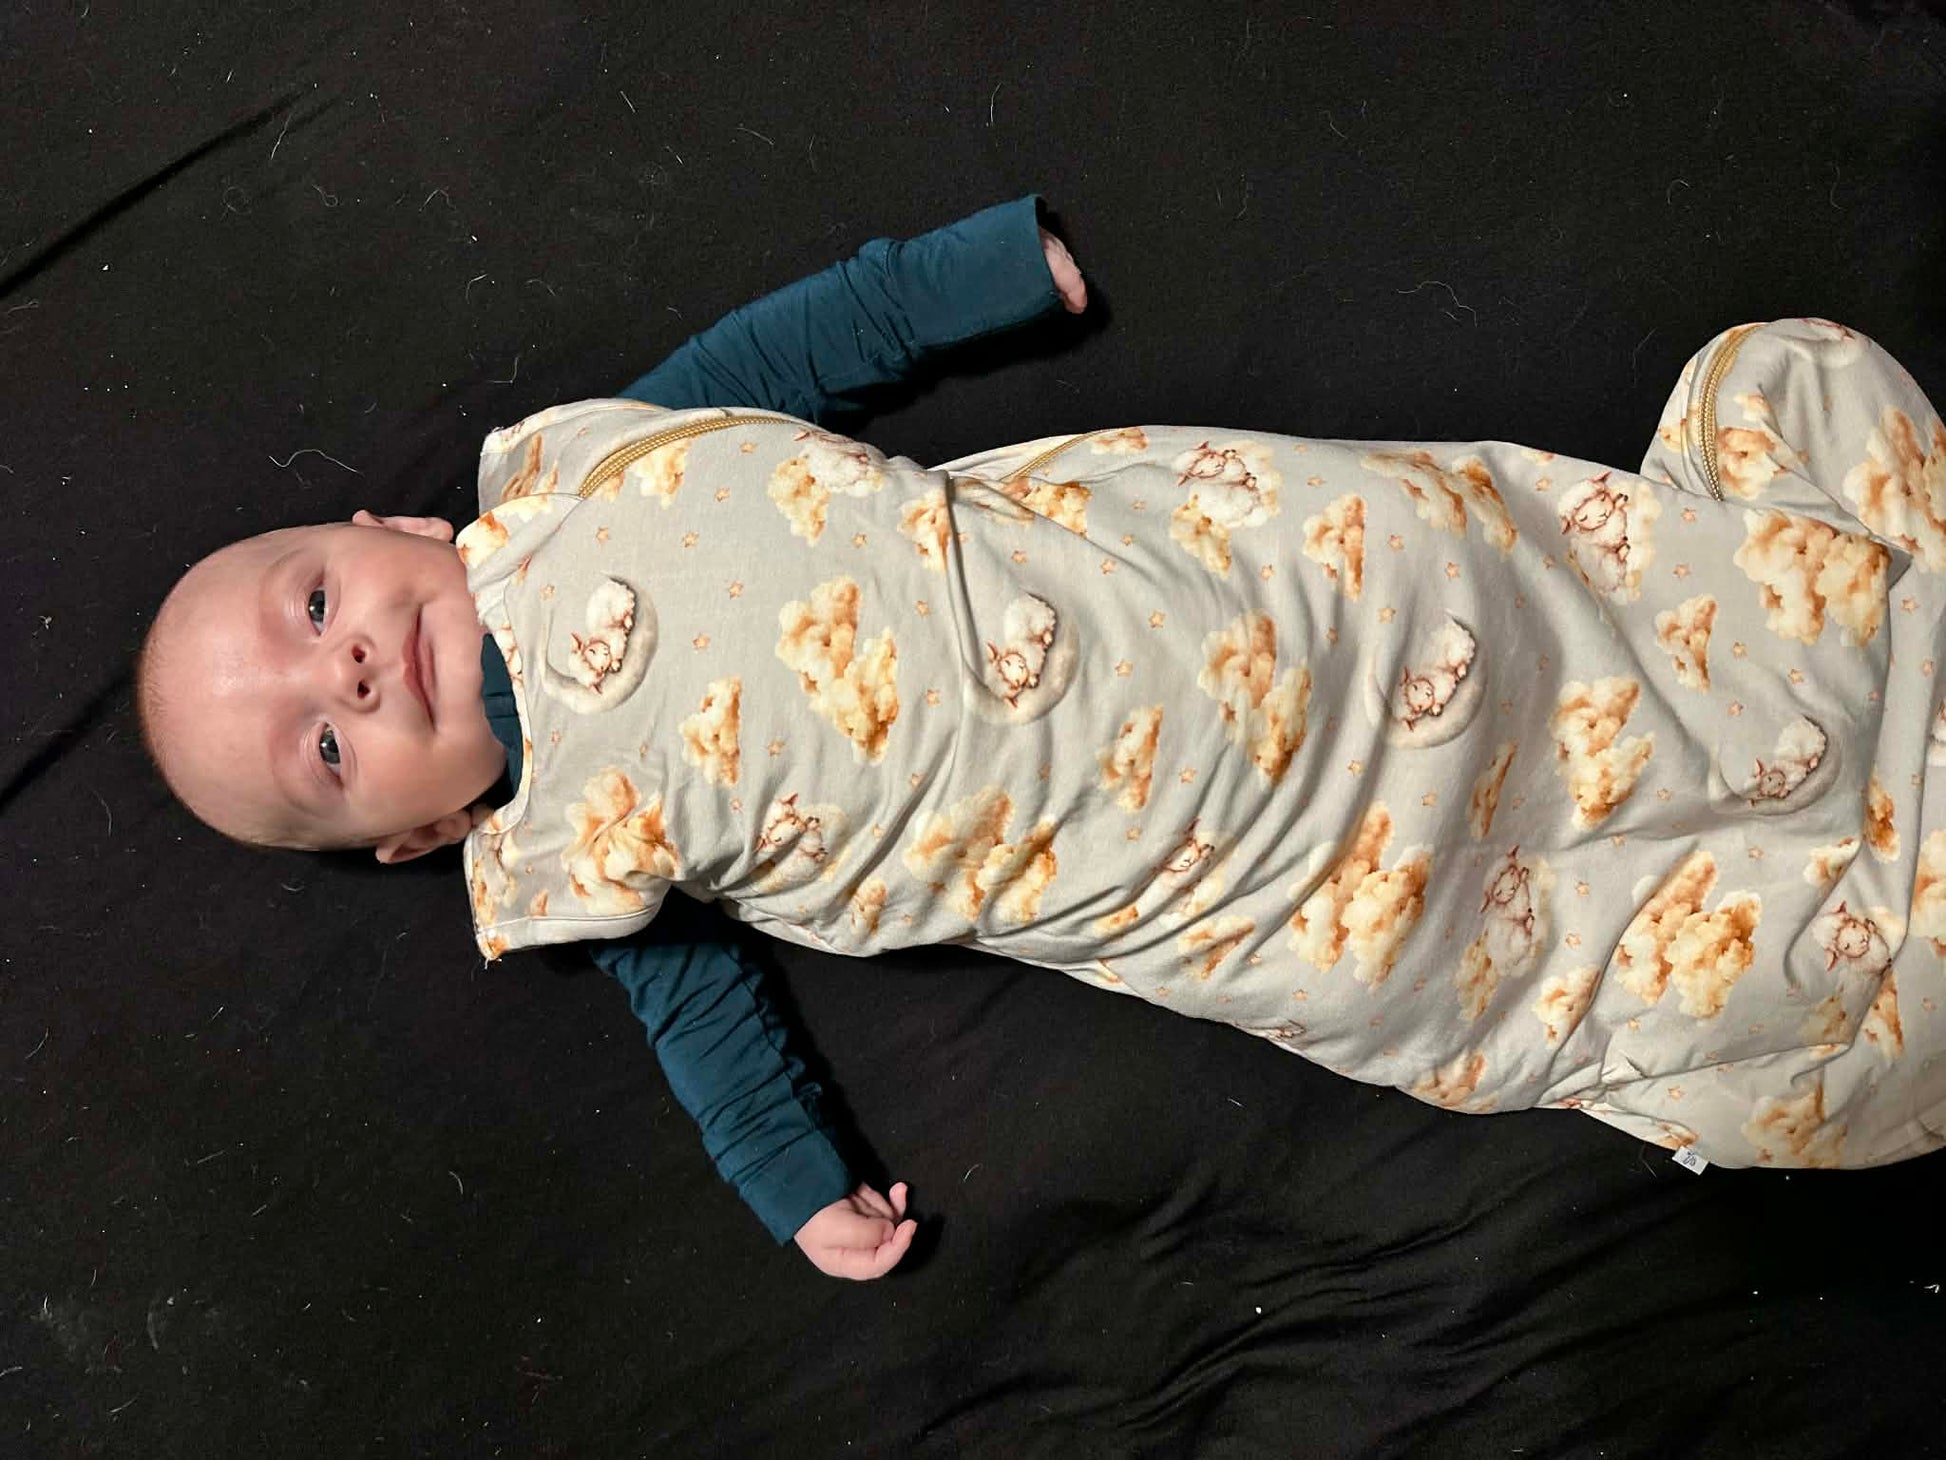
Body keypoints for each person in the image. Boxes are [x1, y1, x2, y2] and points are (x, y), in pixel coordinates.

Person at [139, 198, 1946, 1283]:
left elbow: (800, 348)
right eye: (322, 753)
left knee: (1490, 587)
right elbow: (709, 1026)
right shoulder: (565, 859)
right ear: (412, 837)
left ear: (386, 531)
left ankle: (1811, 681)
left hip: (1256, 587)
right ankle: (1833, 917)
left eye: (311, 608)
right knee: (1512, 942)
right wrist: (793, 1186)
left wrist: (973, 273)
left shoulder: (579, 466)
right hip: (1246, 879)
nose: (346, 676)